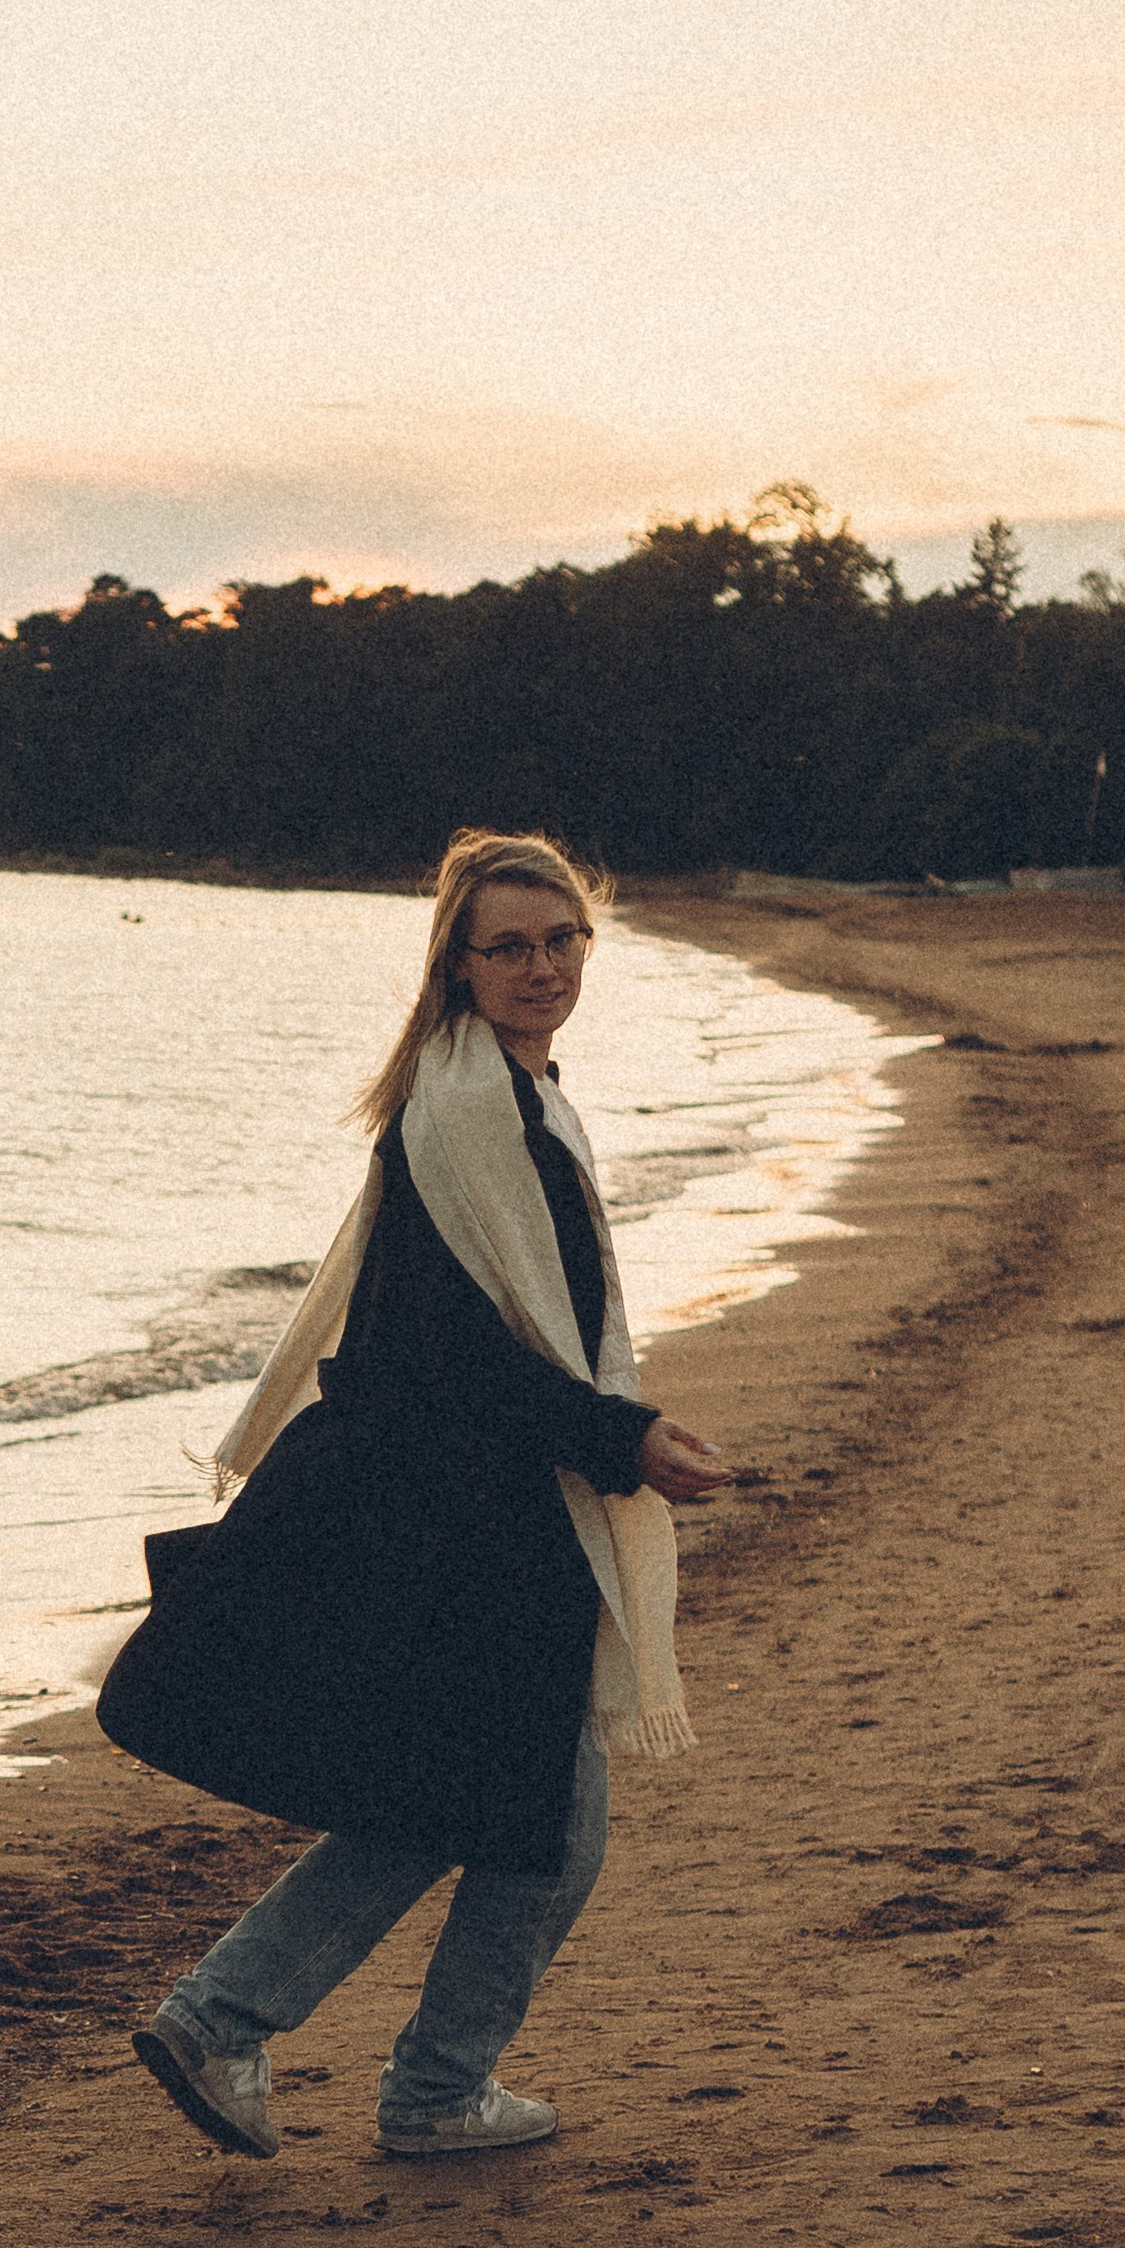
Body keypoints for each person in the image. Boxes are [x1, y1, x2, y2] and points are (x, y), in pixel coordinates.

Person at [96, 828, 729, 2163]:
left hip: (468, 1500)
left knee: (465, 1799)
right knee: (540, 1813)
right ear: (459, 963)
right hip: (453, 1516)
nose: (541, 967)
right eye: (509, 947)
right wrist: (622, 1434)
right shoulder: (463, 1112)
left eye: (561, 941)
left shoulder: (506, 1094)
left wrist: (606, 1435)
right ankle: (411, 2083)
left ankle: (244, 2024)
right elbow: (446, 1353)